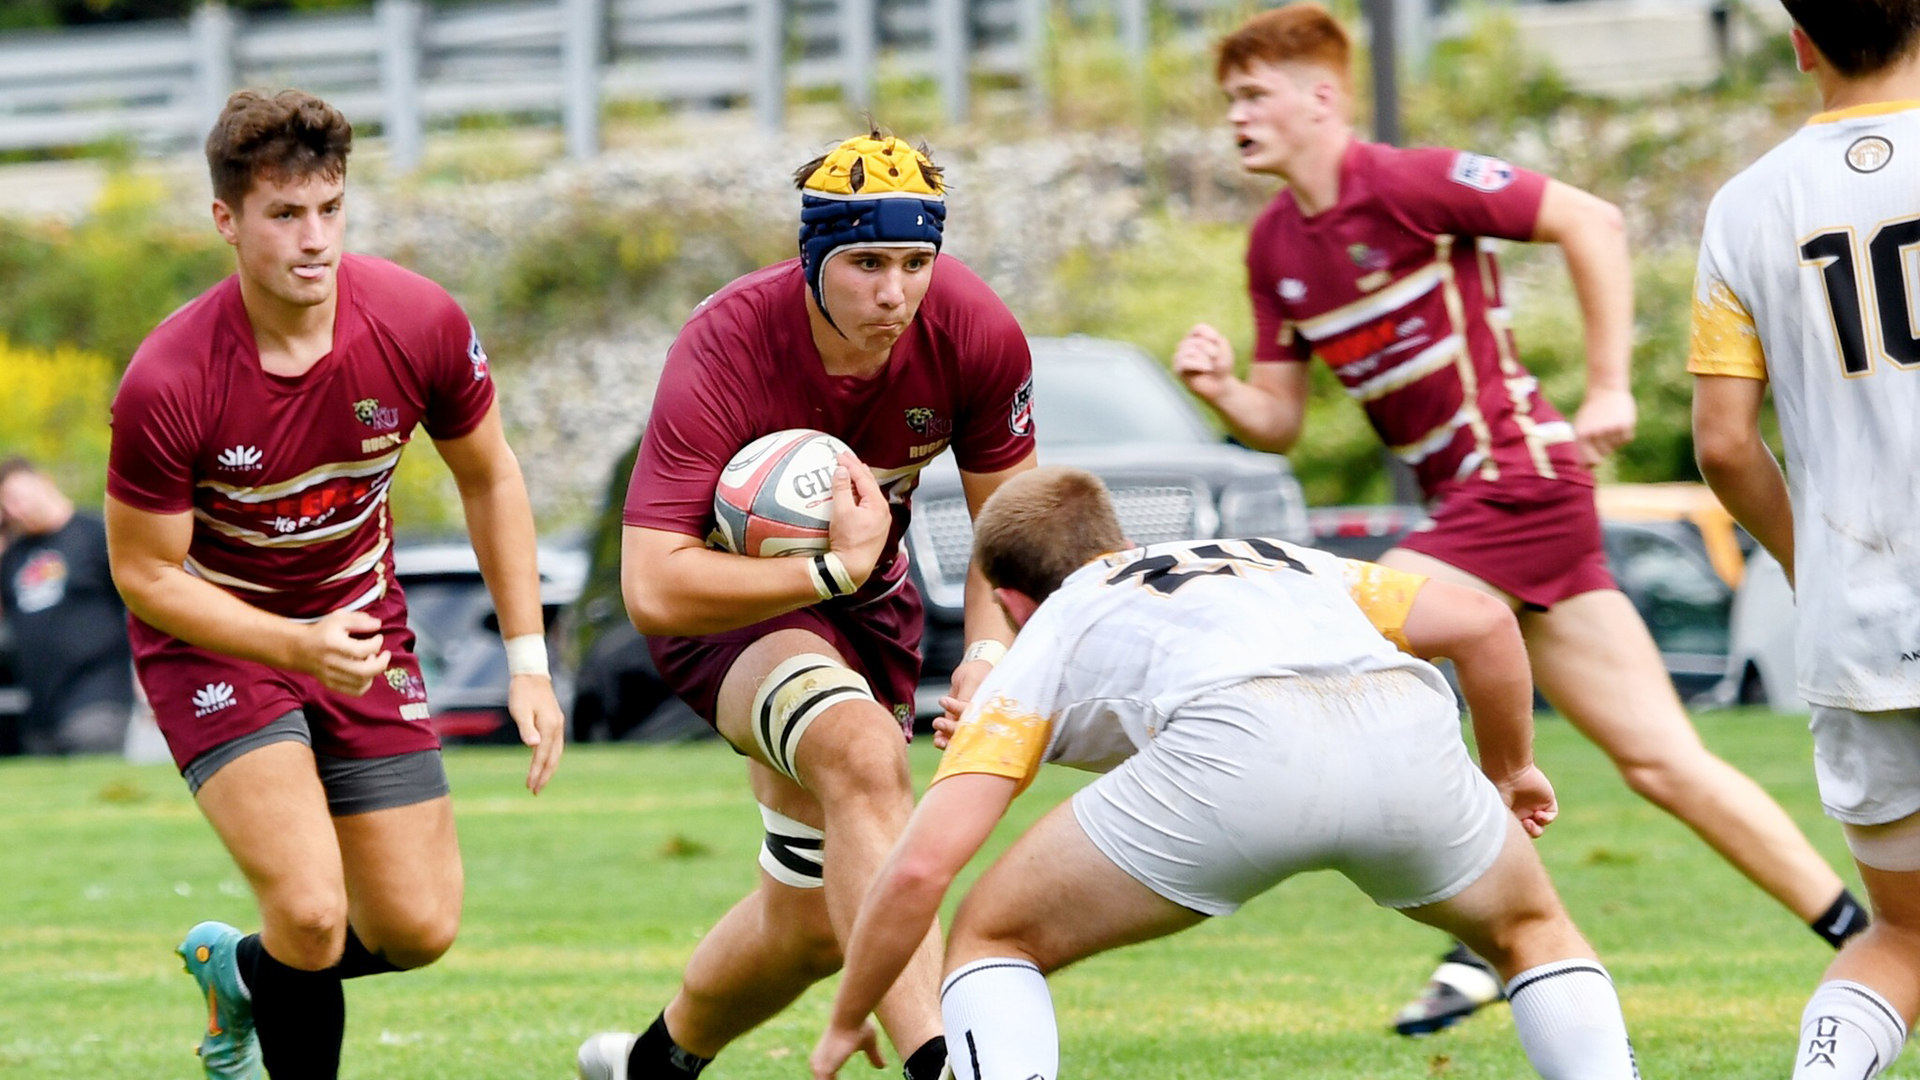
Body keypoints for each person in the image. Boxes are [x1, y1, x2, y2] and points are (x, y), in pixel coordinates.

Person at [1170, 1, 1866, 1035]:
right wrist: (1224, 390)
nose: (1236, 115)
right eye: (1229, 98)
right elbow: (1277, 421)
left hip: (1520, 481)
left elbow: (1595, 219)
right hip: (1483, 509)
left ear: (1321, 98)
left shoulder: (1404, 183)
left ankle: (1493, 928)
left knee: (1349, 631)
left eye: (1254, 94)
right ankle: (1872, 940)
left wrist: (1608, 387)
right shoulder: (1275, 242)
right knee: (1662, 762)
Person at [808, 465, 1639, 1080]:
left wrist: (850, 1014)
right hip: (1404, 726)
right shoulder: (1270, 558)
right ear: (1120, 541)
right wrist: (1513, 771)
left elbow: (921, 864)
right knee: (1531, 934)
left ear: (1011, 603)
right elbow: (1487, 624)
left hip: (1236, 749)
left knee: (993, 936)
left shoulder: (1052, 626)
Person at [104, 89, 565, 1080]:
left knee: (419, 927)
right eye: (283, 215)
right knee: (311, 911)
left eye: (330, 209)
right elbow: (143, 574)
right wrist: (289, 645)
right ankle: (280, 974)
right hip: (216, 645)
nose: (313, 241)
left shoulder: (417, 320)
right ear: (226, 221)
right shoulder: (168, 379)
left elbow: (491, 476)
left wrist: (529, 661)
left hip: (358, 634)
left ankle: (239, 972)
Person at [577, 131, 1038, 1080]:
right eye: (866, 264)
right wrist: (821, 577)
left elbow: (1013, 541)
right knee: (864, 756)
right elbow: (652, 585)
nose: (894, 293)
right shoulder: (728, 342)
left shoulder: (977, 332)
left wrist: (989, 661)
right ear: (813, 258)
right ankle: (941, 1065)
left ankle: (653, 1065)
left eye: (916, 264)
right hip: (727, 610)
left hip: (869, 606)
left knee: (811, 919)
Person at [1690, 4, 1920, 1076]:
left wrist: (1807, 563)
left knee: (1906, 939)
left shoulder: (1745, 207)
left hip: (1859, 626)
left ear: (1801, 39)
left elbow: (1726, 446)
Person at [0, 457, 135, 755]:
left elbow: (140, 604)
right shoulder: (13, 557)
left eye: (18, 497)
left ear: (45, 482)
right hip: (40, 706)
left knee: (88, 768)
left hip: (98, 697)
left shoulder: (98, 534)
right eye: (7, 506)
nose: (16, 509)